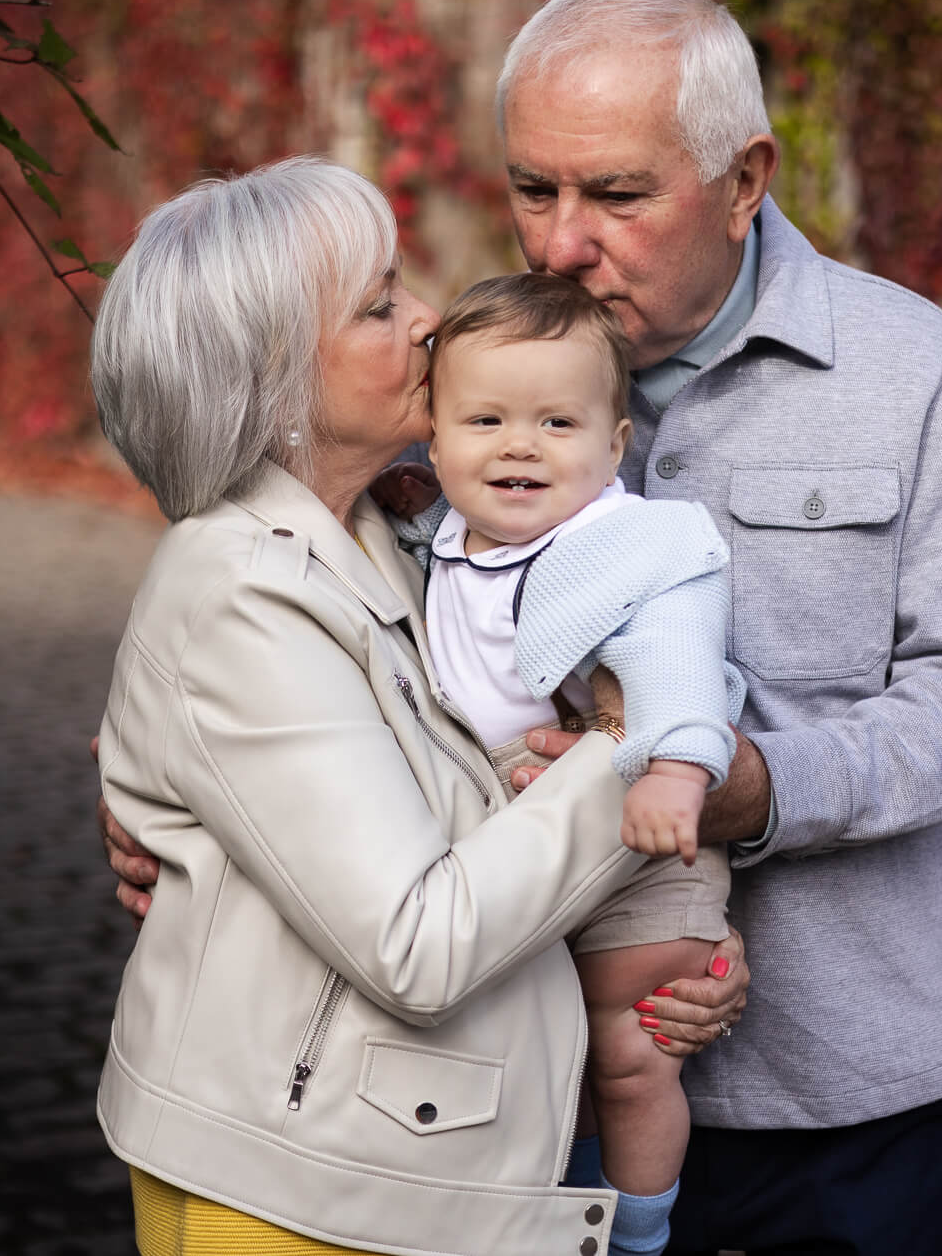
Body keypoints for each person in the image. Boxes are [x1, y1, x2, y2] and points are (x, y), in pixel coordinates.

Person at [105, 0, 942, 1255]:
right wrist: (172, 785)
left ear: (743, 179)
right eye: (531, 189)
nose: (556, 245)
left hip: (839, 1084)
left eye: (613, 194)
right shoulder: (459, 374)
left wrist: (756, 788)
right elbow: (299, 619)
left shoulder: (907, 368)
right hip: (536, 1089)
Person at [85, 154, 736, 1256]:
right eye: (379, 303)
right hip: (295, 1199)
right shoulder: (244, 591)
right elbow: (418, 943)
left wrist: (673, 941)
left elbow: (461, 792)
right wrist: (628, 751)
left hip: (393, 1168)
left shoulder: (396, 530)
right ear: (276, 374)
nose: (429, 316)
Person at [394, 271, 741, 1256]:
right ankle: (550, 1219)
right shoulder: (432, 532)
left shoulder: (627, 545)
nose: (520, 445)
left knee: (629, 1052)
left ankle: (638, 1230)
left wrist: (675, 770)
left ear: (614, 445)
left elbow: (678, 660)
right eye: (486, 420)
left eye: (557, 422)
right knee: (540, 1061)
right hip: (504, 836)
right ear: (433, 438)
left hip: (636, 831)